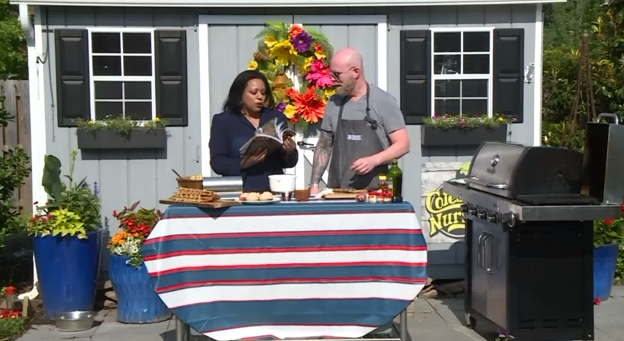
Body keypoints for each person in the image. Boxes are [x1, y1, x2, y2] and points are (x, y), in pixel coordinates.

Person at [309, 48, 409, 195]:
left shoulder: (382, 101)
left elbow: (403, 145)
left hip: (376, 194)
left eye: (337, 74)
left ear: (355, 72)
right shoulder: (334, 103)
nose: (332, 79)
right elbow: (324, 145)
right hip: (338, 192)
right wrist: (314, 184)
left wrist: (374, 160)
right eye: (331, 74)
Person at [209, 70, 298, 192]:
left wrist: (290, 151)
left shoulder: (276, 117)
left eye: (263, 93)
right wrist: (243, 163)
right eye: (253, 92)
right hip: (240, 190)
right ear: (240, 94)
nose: (259, 97)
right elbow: (217, 163)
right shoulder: (223, 121)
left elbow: (287, 163)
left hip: (273, 190)